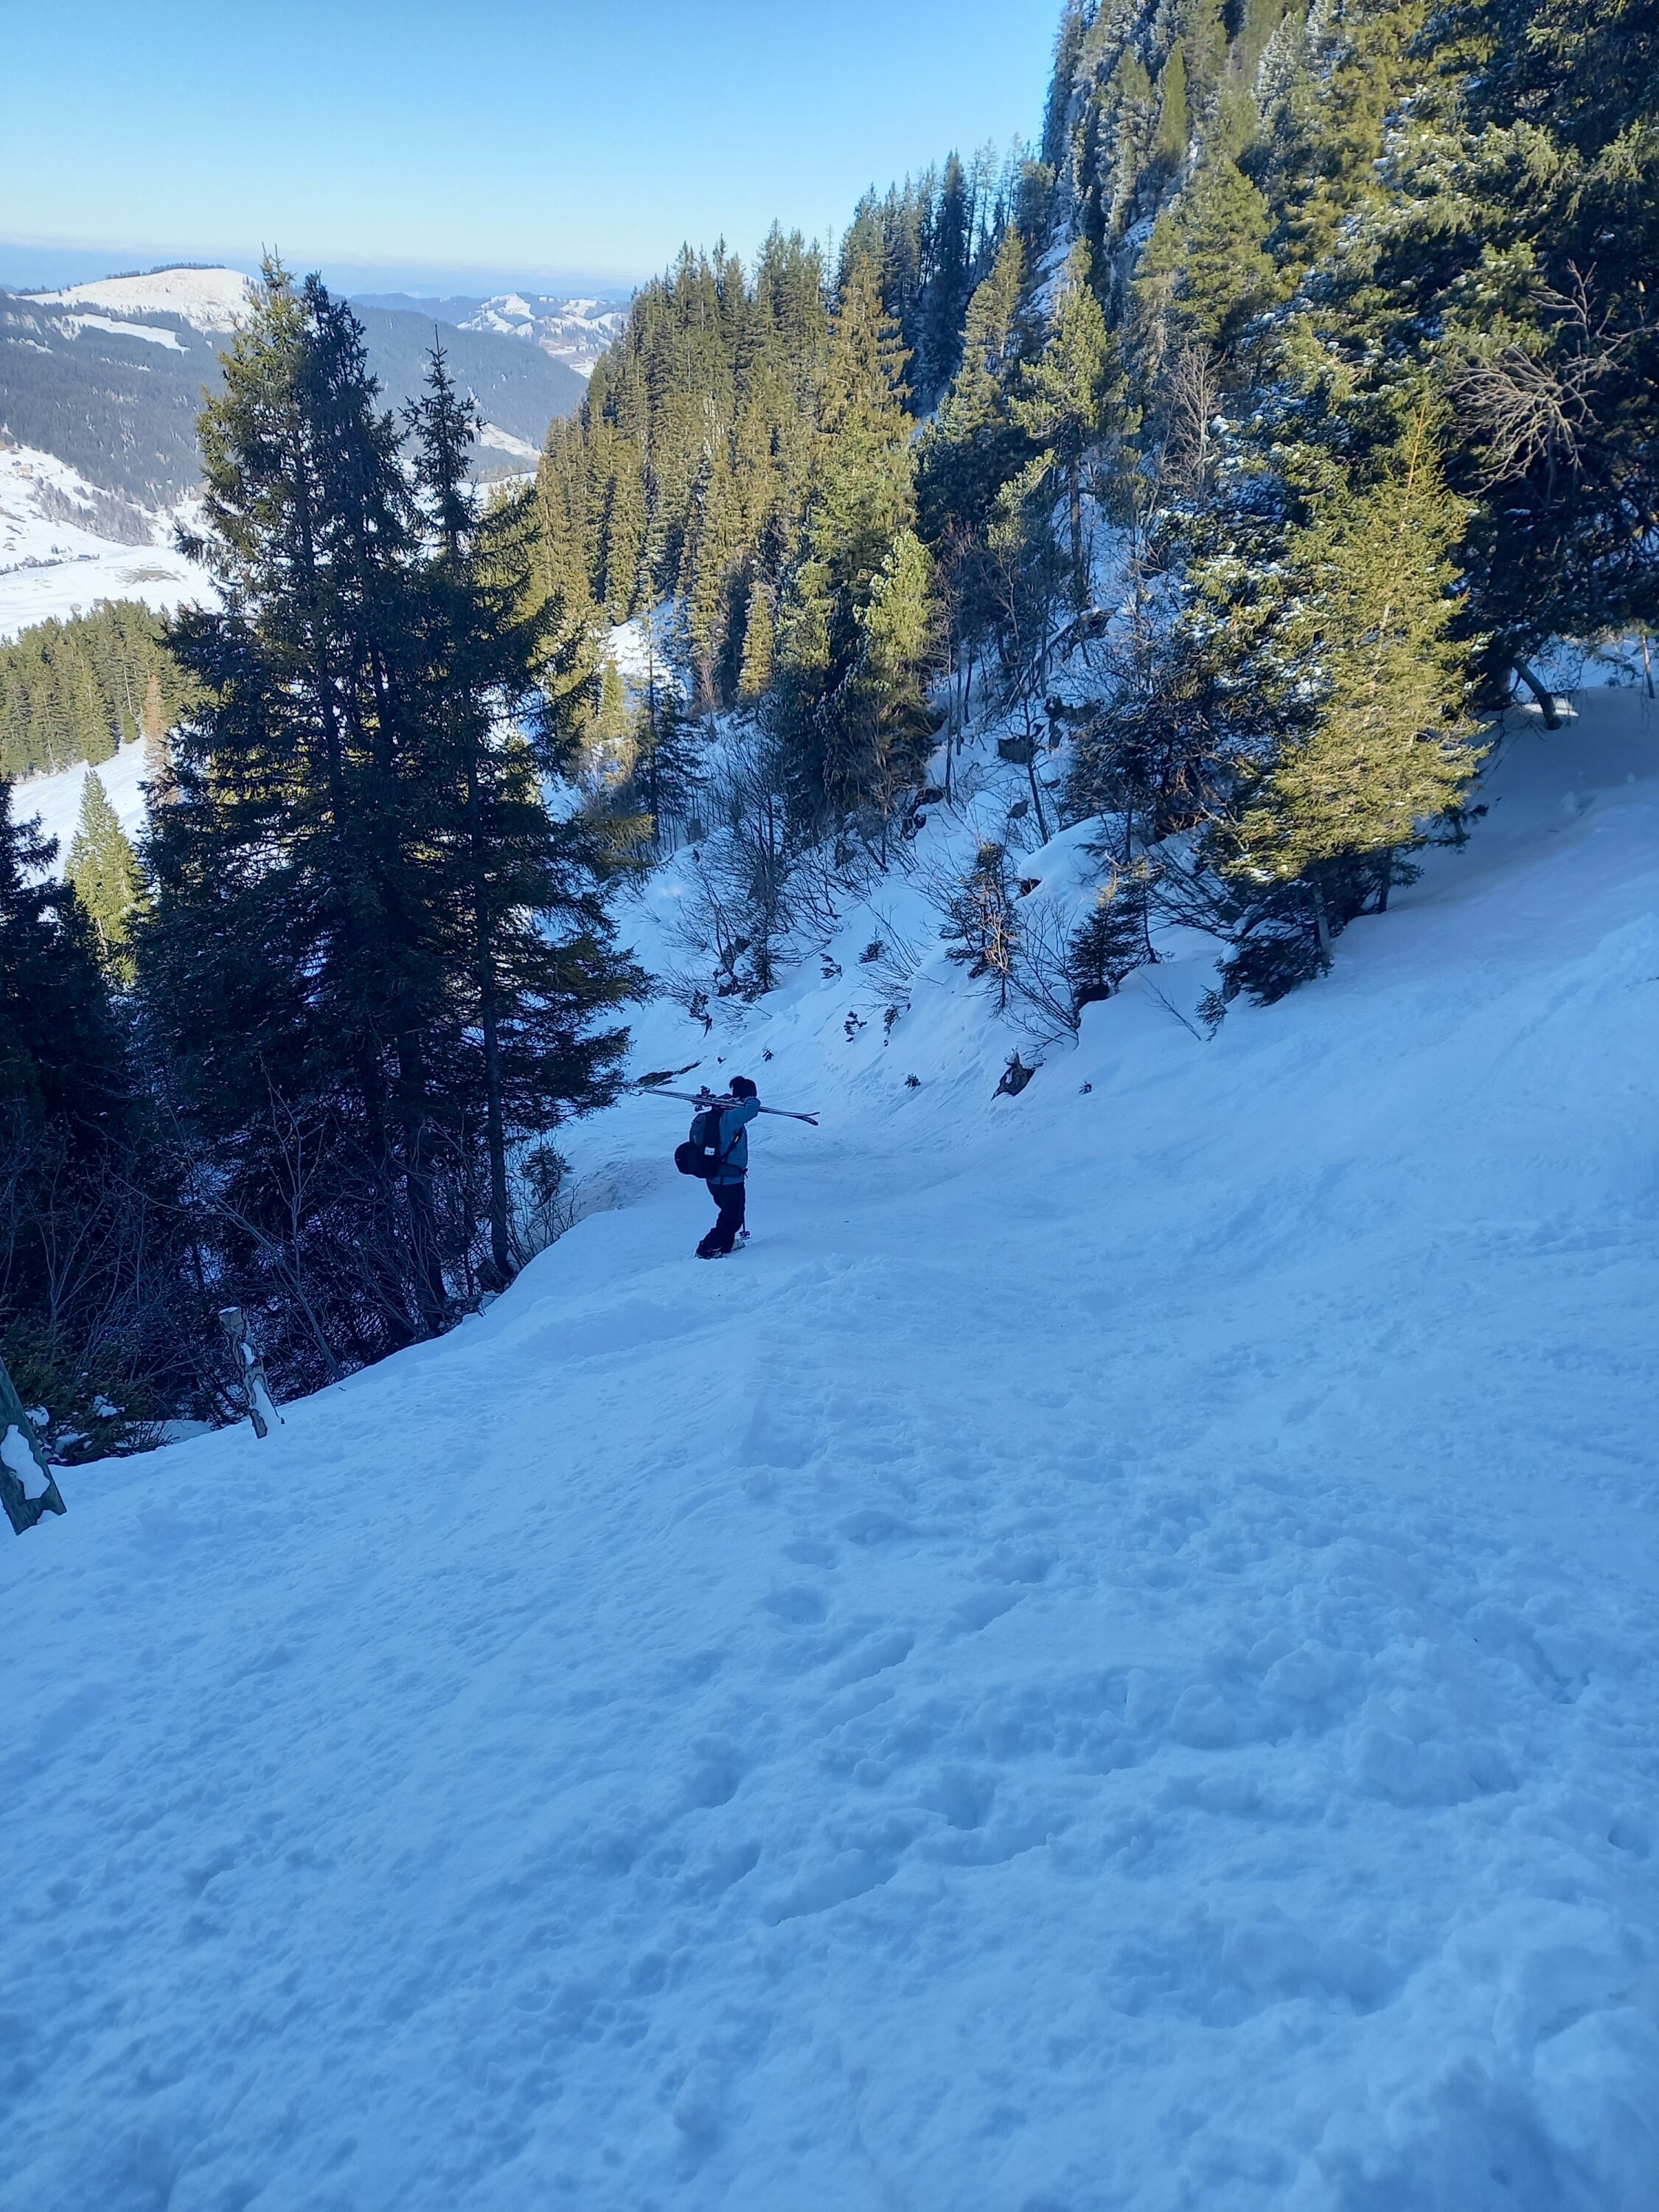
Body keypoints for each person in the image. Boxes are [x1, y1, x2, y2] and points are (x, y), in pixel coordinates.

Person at [696, 1076, 759, 1259]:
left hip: (716, 1177)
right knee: (732, 1217)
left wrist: (730, 1100)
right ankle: (707, 1248)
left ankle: (726, 1244)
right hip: (728, 1179)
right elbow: (752, 1109)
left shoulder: (722, 1113)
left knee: (729, 1212)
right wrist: (748, 1100)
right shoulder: (731, 1117)